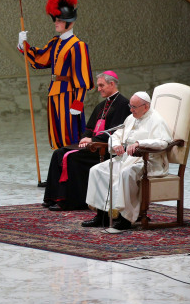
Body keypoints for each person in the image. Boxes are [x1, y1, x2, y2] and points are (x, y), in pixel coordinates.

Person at [82, 91, 172, 230]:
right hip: (126, 159)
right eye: (130, 106)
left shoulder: (156, 120)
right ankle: (102, 215)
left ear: (146, 107)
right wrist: (116, 144)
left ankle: (126, 218)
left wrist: (139, 143)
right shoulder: (131, 118)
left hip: (148, 162)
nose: (131, 110)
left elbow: (163, 143)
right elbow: (117, 134)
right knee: (97, 170)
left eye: (134, 107)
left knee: (126, 173)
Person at [43, 71, 130, 210]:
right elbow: (89, 127)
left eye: (101, 85)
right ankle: (53, 197)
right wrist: (85, 137)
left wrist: (93, 140)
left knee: (71, 158)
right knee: (58, 153)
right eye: (98, 86)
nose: (99, 89)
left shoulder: (123, 105)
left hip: (104, 148)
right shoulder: (101, 105)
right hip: (92, 144)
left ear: (111, 84)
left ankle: (70, 201)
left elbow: (116, 132)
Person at [18, 0, 93, 150]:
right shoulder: (55, 42)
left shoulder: (78, 46)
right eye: (55, 19)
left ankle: (71, 167)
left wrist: (78, 102)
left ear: (70, 22)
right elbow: (40, 60)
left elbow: (82, 78)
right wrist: (23, 46)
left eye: (59, 20)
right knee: (57, 134)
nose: (56, 23)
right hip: (54, 92)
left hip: (68, 94)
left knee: (71, 135)